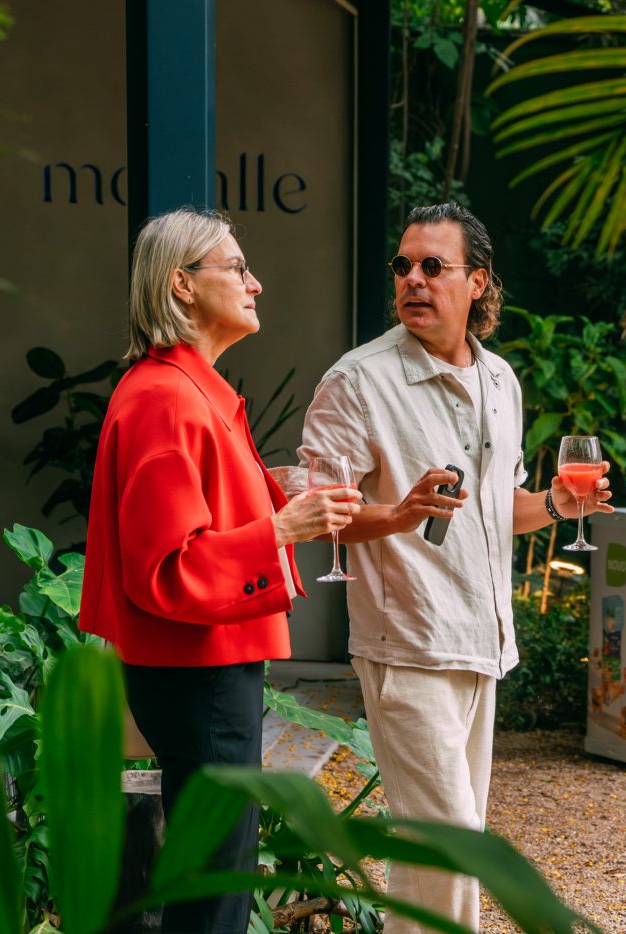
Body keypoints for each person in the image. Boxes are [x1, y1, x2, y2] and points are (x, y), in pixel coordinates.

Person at [297, 202, 613, 932]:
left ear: (477, 282)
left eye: (432, 266)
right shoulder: (357, 381)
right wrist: (401, 514)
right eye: (403, 266)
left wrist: (559, 505)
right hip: (407, 644)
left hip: (482, 645)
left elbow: (498, 510)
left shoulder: (501, 381)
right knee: (452, 847)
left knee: (438, 849)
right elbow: (321, 515)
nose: (412, 278)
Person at [80, 207, 361, 933]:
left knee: (214, 882)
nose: (255, 283)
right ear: (182, 285)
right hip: (198, 668)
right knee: (212, 894)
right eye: (237, 268)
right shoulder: (167, 398)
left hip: (205, 664)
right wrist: (280, 527)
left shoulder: (185, 389)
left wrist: (270, 490)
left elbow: (196, 514)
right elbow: (164, 567)